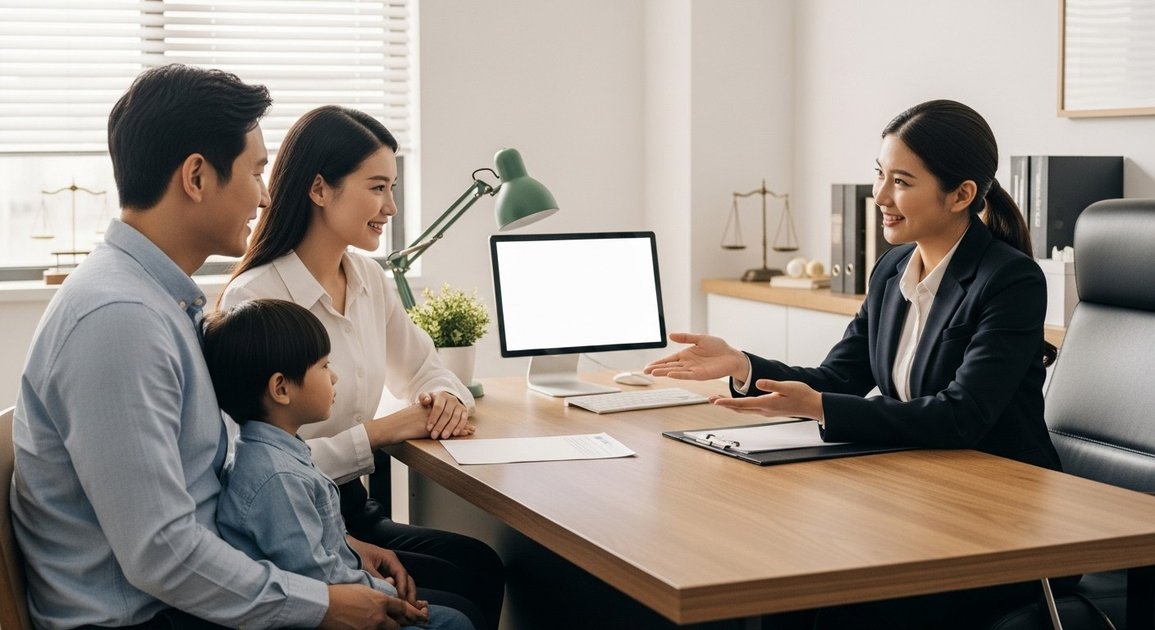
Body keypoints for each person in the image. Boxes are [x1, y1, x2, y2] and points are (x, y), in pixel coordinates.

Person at [10, 64, 416, 630]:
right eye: (255, 172)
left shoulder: (161, 301)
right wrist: (321, 604)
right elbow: (162, 553)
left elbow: (213, 482)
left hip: (184, 598)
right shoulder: (120, 320)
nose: (267, 194)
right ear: (197, 178)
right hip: (149, 617)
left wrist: (336, 544)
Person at [646, 99, 1065, 629]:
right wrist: (742, 364)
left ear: (960, 195)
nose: (880, 196)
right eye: (879, 174)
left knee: (841, 602)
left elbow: (962, 416)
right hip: (918, 496)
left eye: (902, 182)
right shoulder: (892, 269)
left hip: (1004, 519)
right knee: (786, 579)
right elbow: (840, 377)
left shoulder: (1010, 280)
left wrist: (823, 407)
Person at [219, 105, 505, 630]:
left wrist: (443, 400)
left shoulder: (369, 279)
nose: (391, 206)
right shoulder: (256, 301)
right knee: (461, 597)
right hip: (296, 521)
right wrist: (380, 432)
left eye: (392, 188)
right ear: (319, 188)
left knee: (479, 565)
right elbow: (251, 471)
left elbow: (428, 370)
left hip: (351, 506)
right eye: (377, 187)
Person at [203, 299, 473, 630]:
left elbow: (324, 548)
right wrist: (386, 593)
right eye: (324, 366)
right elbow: (318, 577)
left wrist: (362, 563)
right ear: (281, 388)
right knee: (455, 621)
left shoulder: (279, 452)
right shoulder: (277, 478)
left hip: (345, 584)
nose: (334, 377)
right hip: (327, 612)